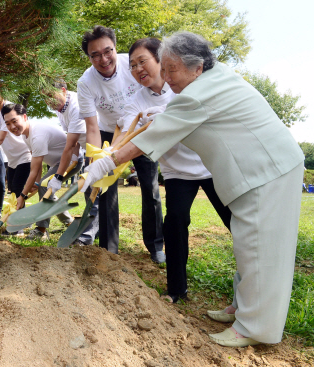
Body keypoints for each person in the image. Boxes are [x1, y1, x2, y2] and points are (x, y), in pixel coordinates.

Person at [82, 32, 304, 347]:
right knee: (247, 243)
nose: (166, 76)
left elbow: (158, 131)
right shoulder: (213, 77)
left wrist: (106, 164)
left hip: (269, 171)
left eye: (171, 69)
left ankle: (254, 328)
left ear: (196, 67)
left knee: (260, 250)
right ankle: (242, 308)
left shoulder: (197, 93)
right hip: (257, 171)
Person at [122, 37, 232, 303]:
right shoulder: (136, 101)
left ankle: (252, 284)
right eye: (133, 65)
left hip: (210, 165)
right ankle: (176, 290)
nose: (138, 69)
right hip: (177, 173)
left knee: (235, 222)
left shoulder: (184, 84)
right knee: (175, 223)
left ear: (161, 60)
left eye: (142, 61)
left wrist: (164, 114)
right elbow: (129, 133)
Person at [78, 25, 164, 259]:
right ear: (89, 57)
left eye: (108, 51)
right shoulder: (85, 82)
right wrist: (94, 161)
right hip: (108, 135)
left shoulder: (133, 65)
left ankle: (155, 245)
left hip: (142, 131)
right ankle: (109, 249)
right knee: (106, 190)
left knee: (150, 186)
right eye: (95, 55)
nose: (103, 59)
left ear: (116, 49)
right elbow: (92, 127)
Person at [3, 103, 82, 240]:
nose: (12, 127)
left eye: (14, 121)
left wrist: (22, 195)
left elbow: (33, 171)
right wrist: (37, 182)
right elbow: (37, 165)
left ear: (24, 117)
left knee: (45, 187)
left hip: (71, 161)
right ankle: (70, 222)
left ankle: (41, 230)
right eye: (8, 124)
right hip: (57, 163)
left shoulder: (37, 135)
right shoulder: (25, 135)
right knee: (45, 188)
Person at [42, 80, 98, 246]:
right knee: (91, 191)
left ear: (64, 91)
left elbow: (69, 145)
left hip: (98, 148)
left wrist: (59, 176)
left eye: (52, 96)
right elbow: (73, 140)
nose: (49, 102)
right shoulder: (60, 108)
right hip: (85, 148)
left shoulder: (76, 106)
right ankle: (94, 230)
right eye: (46, 99)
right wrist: (75, 157)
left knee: (93, 191)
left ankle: (87, 238)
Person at [0, 94, 32, 230]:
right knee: (14, 191)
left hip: (24, 154)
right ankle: (23, 220)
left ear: (1, 93)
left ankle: (18, 226)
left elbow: (0, 139)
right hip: (12, 158)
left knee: (17, 189)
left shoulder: (10, 110)